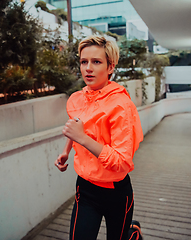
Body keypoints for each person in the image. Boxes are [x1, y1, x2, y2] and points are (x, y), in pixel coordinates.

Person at [54, 35, 144, 240]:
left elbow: (121, 162)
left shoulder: (121, 105)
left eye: (96, 62)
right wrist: (66, 151)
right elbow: (77, 127)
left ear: (110, 67)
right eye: (84, 61)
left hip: (116, 193)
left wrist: (83, 139)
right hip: (85, 189)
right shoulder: (79, 97)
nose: (88, 68)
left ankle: (134, 234)